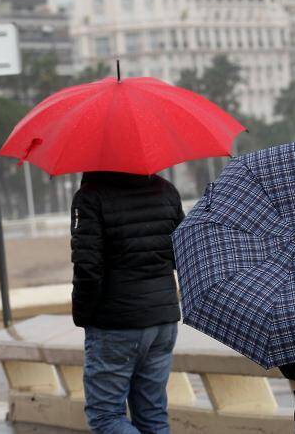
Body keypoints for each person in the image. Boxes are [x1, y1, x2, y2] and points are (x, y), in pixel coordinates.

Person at [71, 171, 184, 434]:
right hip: (162, 319)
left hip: (116, 323)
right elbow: (182, 252)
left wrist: (83, 314)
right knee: (153, 416)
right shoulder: (166, 191)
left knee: (105, 417)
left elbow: (87, 268)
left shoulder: (90, 197)